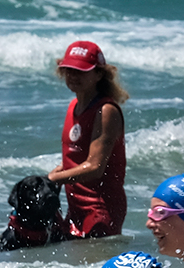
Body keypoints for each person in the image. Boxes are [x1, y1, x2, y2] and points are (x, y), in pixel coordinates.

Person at [47, 39, 128, 239]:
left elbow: (95, 166)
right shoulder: (73, 106)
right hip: (75, 207)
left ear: (99, 74)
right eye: (69, 70)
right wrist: (47, 179)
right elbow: (73, 160)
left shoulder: (106, 111)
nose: (73, 76)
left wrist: (52, 179)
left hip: (100, 208)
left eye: (81, 71)